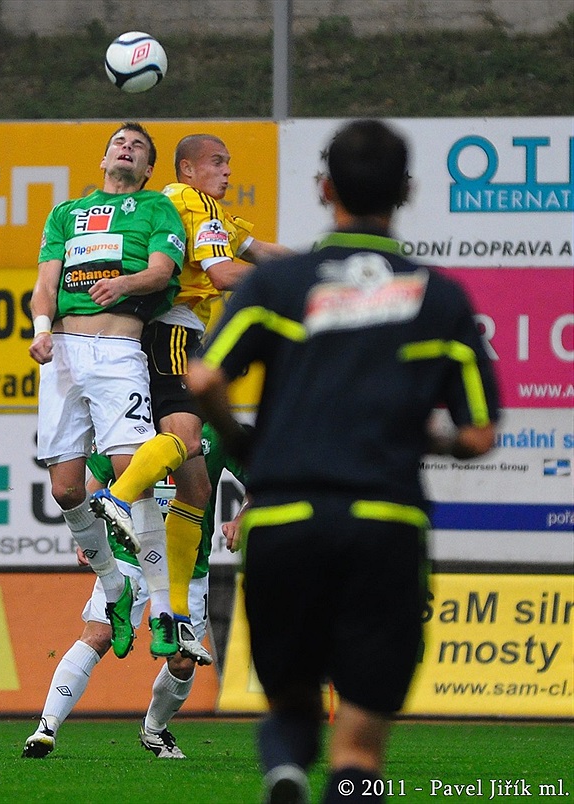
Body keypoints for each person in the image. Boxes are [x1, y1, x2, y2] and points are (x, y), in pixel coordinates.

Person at [186, 119, 501, 803]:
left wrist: (243, 444)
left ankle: (286, 772)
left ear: (324, 187)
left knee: (291, 707)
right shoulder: (440, 297)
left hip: (286, 515)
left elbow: (205, 378)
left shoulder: (279, 283)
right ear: (408, 191)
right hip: (383, 520)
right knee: (359, 748)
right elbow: (479, 436)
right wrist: (432, 439)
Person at [91, 134, 290, 664]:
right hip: (172, 332)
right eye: (217, 163)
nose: (227, 172)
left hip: (154, 336)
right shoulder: (191, 202)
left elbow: (260, 251)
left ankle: (174, 612)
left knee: (197, 486)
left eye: (229, 162)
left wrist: (326, 262)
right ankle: (118, 497)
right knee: (186, 441)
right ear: (187, 168)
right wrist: (300, 288)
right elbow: (225, 273)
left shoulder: (210, 212)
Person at [29, 122, 186, 662]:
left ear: (148, 169)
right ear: (103, 158)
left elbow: (163, 270)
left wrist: (126, 283)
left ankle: (166, 612)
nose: (127, 148)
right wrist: (42, 328)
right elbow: (46, 284)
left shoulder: (156, 209)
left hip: (120, 353)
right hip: (65, 355)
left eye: (138, 146)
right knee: (66, 492)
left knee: (133, 476)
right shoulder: (66, 213)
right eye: (120, 142)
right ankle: (115, 592)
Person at [22, 422, 247, 760]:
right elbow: (95, 482)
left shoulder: (213, 430)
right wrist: (91, 536)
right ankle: (46, 728)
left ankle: (154, 730)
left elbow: (265, 481)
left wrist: (243, 517)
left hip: (187, 563)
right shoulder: (130, 425)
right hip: (128, 554)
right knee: (99, 635)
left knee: (183, 662)